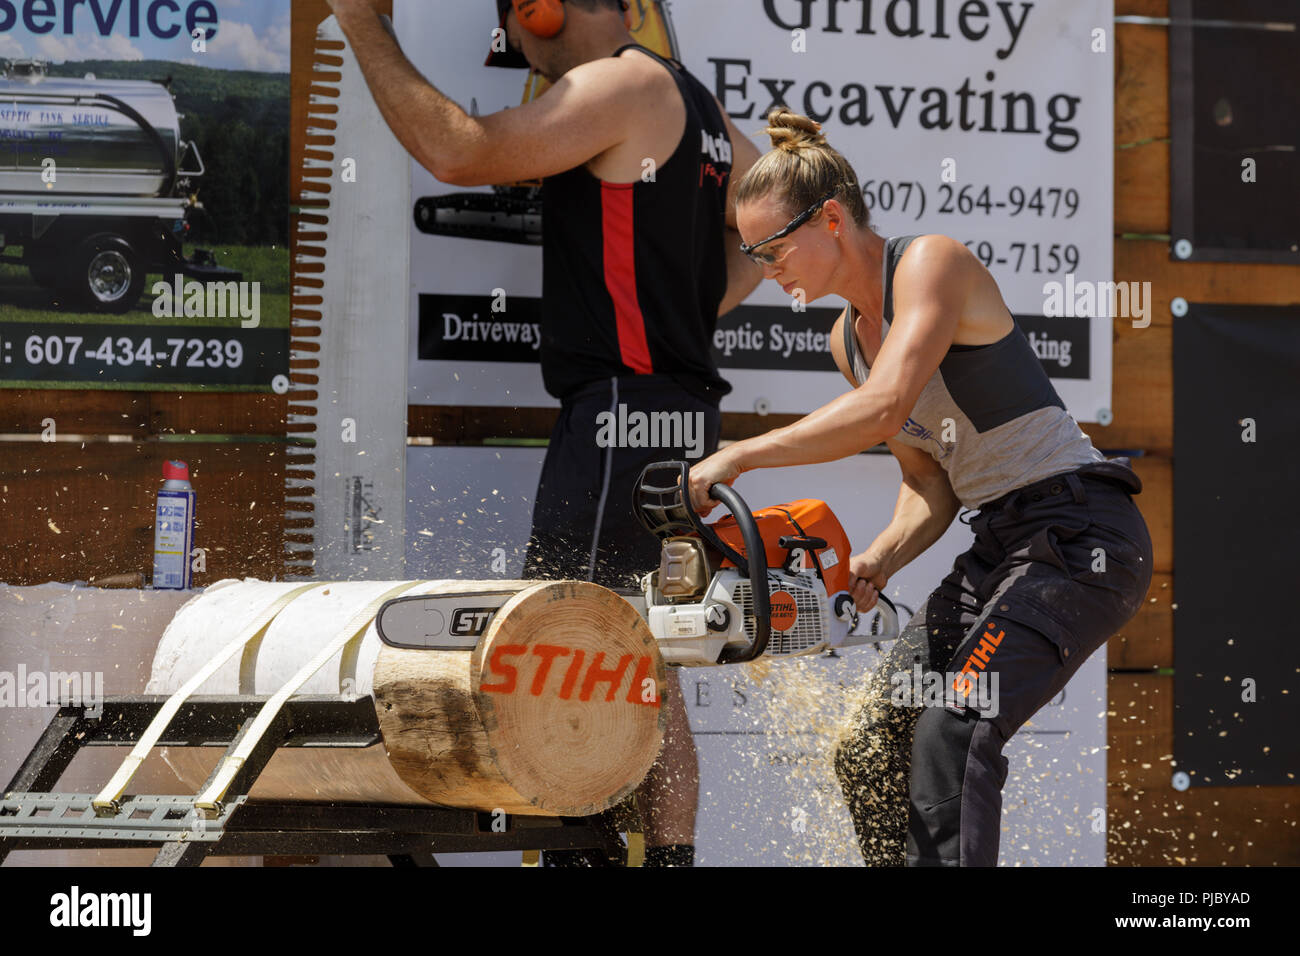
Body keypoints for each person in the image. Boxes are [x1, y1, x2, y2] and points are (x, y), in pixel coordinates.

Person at [325, 0, 763, 866]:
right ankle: (664, 857)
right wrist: (682, 309)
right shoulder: (695, 104)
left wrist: (364, 25)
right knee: (642, 657)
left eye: (517, 31)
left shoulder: (619, 84)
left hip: (619, 423)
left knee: (563, 651)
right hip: (670, 416)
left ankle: (582, 851)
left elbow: (459, 151)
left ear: (542, 10)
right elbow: (782, 211)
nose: (519, 50)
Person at [687, 108, 1153, 867]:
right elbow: (930, 483)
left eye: (772, 247)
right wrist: (882, 555)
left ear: (830, 218)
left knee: (955, 727)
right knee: (870, 744)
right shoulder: (847, 340)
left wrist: (742, 455)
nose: (766, 268)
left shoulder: (930, 263)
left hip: (1081, 534)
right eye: (751, 250)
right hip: (1002, 543)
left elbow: (886, 409)